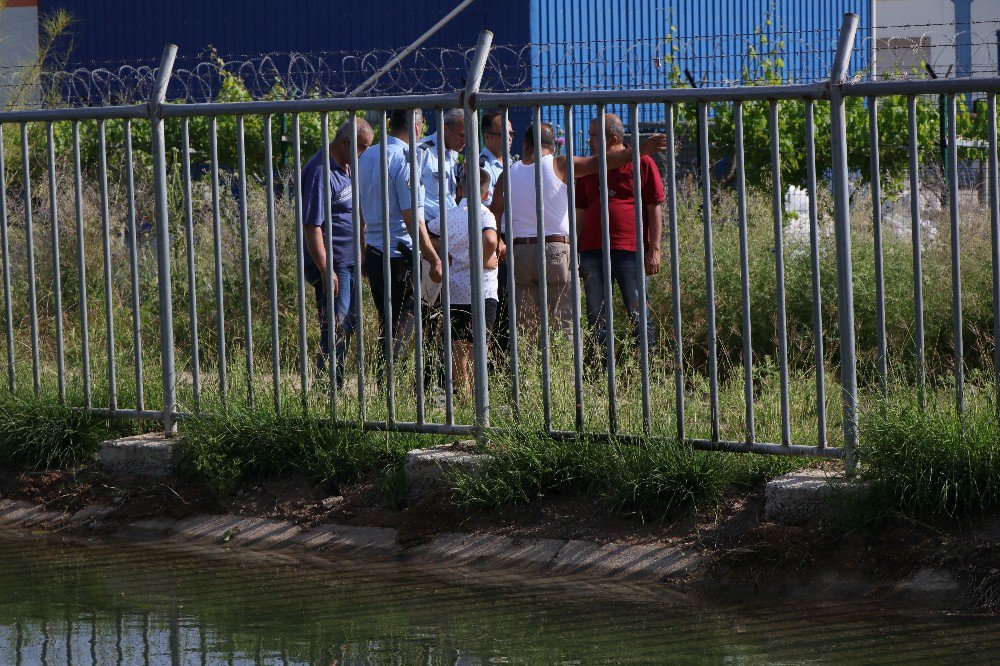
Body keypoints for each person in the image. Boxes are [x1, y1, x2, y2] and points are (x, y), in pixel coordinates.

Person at [488, 122, 666, 331]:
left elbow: (494, 212)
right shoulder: (560, 165)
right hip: (555, 250)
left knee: (526, 324)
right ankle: (566, 363)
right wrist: (641, 149)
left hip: (520, 253)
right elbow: (603, 162)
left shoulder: (507, 174)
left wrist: (498, 241)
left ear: (526, 144)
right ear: (553, 146)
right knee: (564, 322)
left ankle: (531, 362)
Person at [575, 113, 664, 365]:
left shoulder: (642, 163)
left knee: (639, 313)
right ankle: (600, 372)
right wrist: (578, 252)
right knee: (596, 317)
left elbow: (654, 206)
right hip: (592, 252)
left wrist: (654, 249)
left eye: (594, 136)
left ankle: (647, 372)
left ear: (613, 138)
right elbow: (580, 210)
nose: (589, 140)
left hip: (630, 250)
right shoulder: (588, 165)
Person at [357, 109, 442, 369]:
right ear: (416, 128)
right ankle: (390, 381)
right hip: (399, 255)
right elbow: (411, 218)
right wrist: (434, 258)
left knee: (387, 322)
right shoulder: (406, 159)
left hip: (374, 252)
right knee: (405, 324)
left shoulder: (367, 156)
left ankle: (385, 386)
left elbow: (360, 210)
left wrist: (363, 252)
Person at [302, 117, 374, 387]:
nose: (364, 153)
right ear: (346, 143)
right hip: (334, 265)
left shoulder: (346, 169)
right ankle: (328, 389)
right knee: (336, 326)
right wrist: (325, 269)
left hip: (351, 261)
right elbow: (312, 226)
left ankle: (335, 383)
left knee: (349, 326)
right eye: (362, 147)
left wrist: (363, 253)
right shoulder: (321, 171)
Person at [426, 168, 500, 394]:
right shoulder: (485, 214)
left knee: (458, 349)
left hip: (456, 290)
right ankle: (481, 400)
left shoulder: (448, 216)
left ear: (460, 189)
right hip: (483, 291)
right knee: (479, 348)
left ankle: (466, 401)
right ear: (486, 195)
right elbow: (489, 238)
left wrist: (445, 249)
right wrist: (481, 259)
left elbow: (427, 234)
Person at [417, 108, 465, 223]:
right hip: (429, 225)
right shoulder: (422, 152)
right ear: (446, 128)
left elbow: (449, 197)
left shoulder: (452, 153)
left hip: (449, 223)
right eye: (462, 135)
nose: (466, 141)